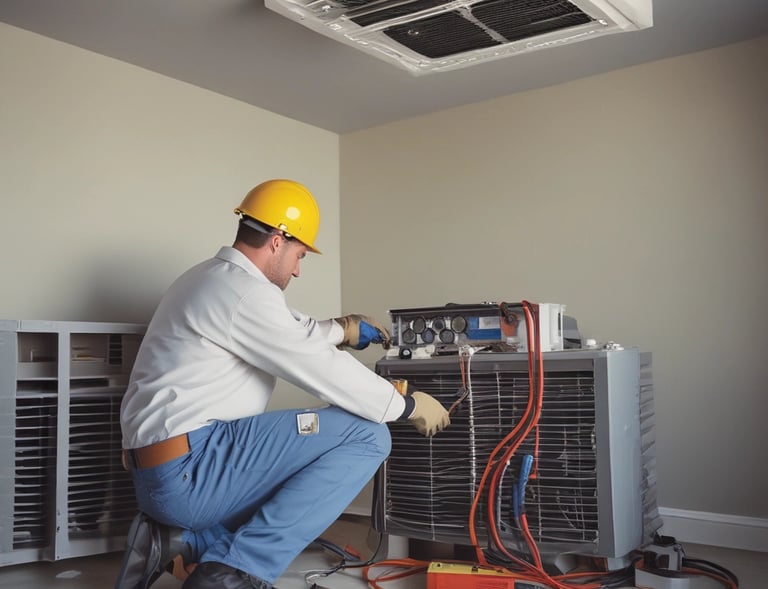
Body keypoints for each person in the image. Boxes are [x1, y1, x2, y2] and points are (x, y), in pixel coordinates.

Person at [115, 179, 450, 589]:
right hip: (190, 473)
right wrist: (407, 404)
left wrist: (341, 329)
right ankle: (233, 572)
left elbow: (287, 331)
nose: (297, 269)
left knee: (303, 443)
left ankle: (186, 542)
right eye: (299, 255)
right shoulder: (246, 295)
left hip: (163, 473)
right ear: (277, 240)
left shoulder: (208, 278)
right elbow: (318, 365)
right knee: (368, 436)